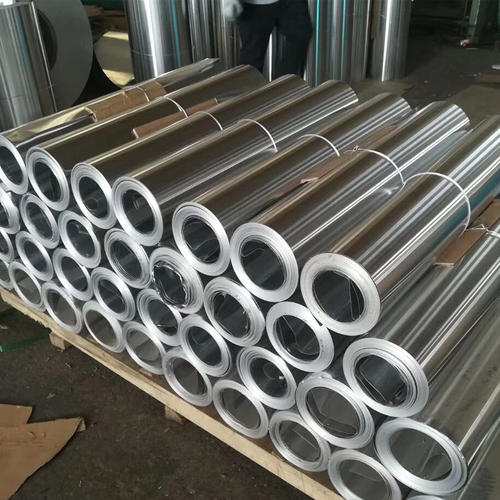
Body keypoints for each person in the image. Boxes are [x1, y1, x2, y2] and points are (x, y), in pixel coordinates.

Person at [223, 0, 312, 78]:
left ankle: (283, 85)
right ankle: (249, 91)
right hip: (254, 4)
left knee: (301, 33)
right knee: (253, 58)